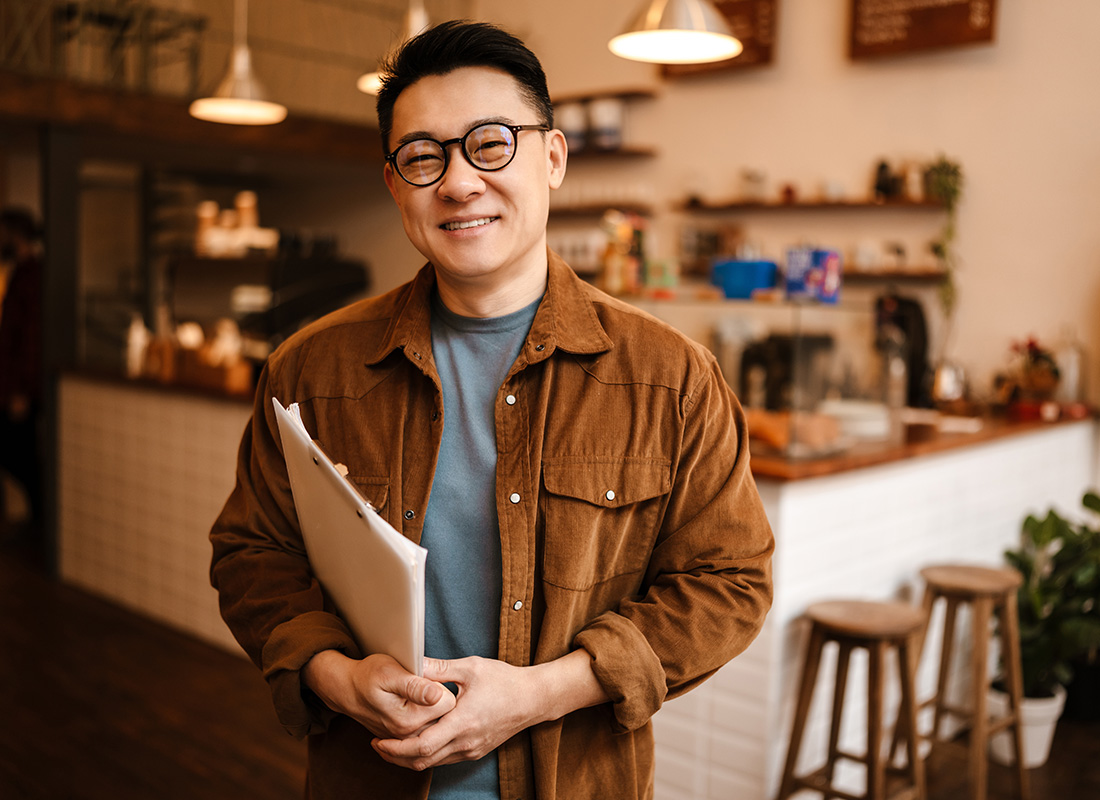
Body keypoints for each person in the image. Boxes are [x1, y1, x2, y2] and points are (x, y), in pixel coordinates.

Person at [209, 20, 773, 800]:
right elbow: (251, 553)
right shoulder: (311, 368)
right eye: (422, 156)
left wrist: (544, 692)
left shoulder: (671, 378)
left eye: (491, 143)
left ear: (553, 157)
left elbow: (730, 581)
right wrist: (334, 675)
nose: (459, 182)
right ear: (395, 183)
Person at [0, 207, 44, 533]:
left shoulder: (31, 275)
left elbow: (30, 336)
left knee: (19, 454)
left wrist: (21, 390)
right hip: (15, 382)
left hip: (21, 386)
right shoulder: (21, 272)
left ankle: (41, 520)